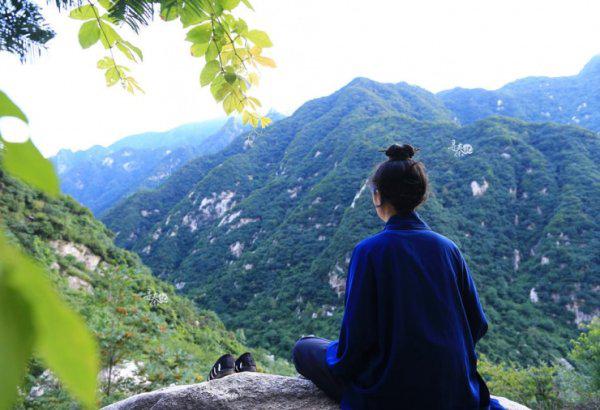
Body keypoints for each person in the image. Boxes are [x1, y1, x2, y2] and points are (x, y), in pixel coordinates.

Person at [292, 144, 504, 409]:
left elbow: (355, 343)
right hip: (453, 389)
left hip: (390, 392)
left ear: (377, 196)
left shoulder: (369, 251)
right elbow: (477, 324)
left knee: (304, 348)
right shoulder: (448, 249)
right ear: (420, 195)